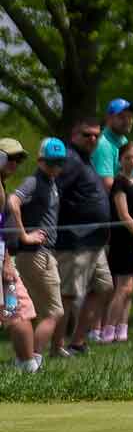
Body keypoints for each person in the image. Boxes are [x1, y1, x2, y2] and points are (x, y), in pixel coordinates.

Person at [54, 118, 114, 354]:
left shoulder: (85, 161)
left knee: (104, 287)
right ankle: (57, 347)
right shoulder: (70, 159)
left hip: (95, 243)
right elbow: (54, 193)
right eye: (86, 135)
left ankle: (78, 342)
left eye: (96, 135)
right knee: (68, 295)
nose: (92, 139)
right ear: (73, 135)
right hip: (74, 241)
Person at [8, 138, 68, 366]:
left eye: (60, 163)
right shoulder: (33, 181)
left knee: (32, 312)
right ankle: (32, 361)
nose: (56, 167)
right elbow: (13, 201)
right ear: (40, 160)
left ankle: (24, 358)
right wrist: (24, 235)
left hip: (38, 254)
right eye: (51, 163)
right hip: (37, 253)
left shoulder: (51, 181)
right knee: (55, 312)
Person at [102, 143, 133, 343]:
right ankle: (108, 330)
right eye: (128, 157)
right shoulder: (119, 184)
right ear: (121, 160)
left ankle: (123, 328)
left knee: (131, 288)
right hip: (124, 240)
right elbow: (123, 214)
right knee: (122, 287)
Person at [2, 138, 41, 372]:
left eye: (19, 159)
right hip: (2, 262)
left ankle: (23, 362)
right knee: (18, 312)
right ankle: (28, 367)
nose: (15, 164)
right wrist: (6, 263)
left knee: (16, 311)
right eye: (11, 158)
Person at [94, 98, 133, 182]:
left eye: (130, 117)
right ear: (109, 118)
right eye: (121, 117)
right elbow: (107, 184)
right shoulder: (103, 144)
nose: (127, 121)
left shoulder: (124, 141)